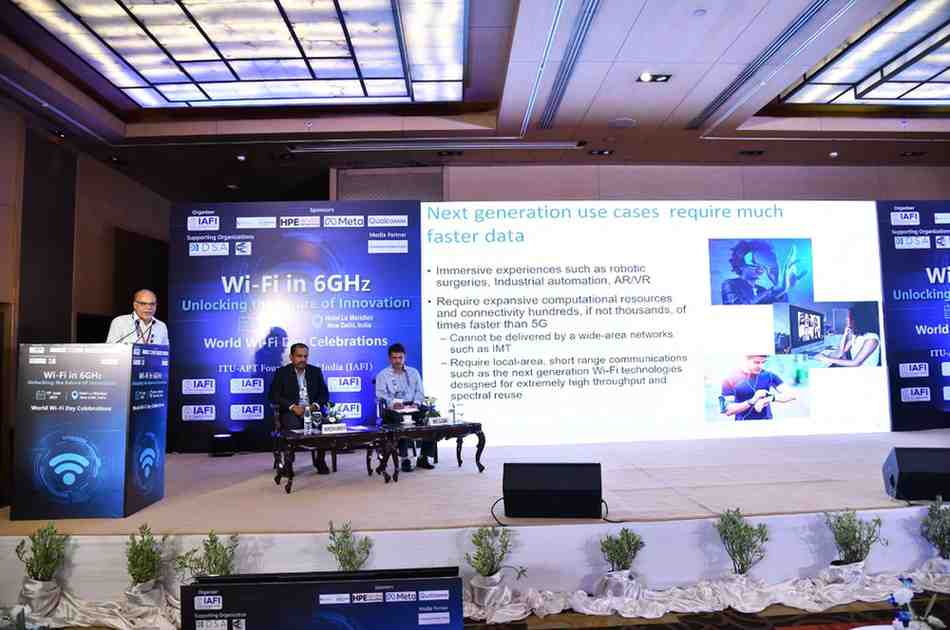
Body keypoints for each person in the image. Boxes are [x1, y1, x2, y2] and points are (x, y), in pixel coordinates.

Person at [269, 343, 331, 474]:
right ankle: (288, 463)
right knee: (292, 426)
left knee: (324, 425)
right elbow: (273, 396)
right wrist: (292, 407)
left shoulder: (315, 371)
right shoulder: (282, 373)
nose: (303, 359)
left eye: (305, 356)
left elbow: (324, 395)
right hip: (291, 411)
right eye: (299, 356)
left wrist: (314, 406)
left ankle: (320, 460)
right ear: (291, 357)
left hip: (312, 410)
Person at [375, 342, 434, 472]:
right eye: (394, 358)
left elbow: (420, 392)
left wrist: (416, 403)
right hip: (393, 409)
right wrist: (392, 403)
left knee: (430, 416)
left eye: (400, 357)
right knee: (400, 422)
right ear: (389, 358)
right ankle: (404, 459)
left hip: (412, 405)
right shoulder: (383, 375)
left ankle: (424, 457)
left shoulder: (414, 372)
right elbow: (380, 395)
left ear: (404, 357)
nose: (398, 361)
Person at [720, 240, 806, 305]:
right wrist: (775, 290)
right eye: (753, 262)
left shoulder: (762, 290)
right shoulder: (729, 284)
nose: (760, 266)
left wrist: (781, 286)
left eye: (762, 262)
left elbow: (781, 310)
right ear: (740, 265)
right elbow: (738, 307)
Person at [721, 355, 796, 420]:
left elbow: (792, 394)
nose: (761, 366)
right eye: (756, 362)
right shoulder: (730, 378)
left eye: (763, 362)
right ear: (745, 360)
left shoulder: (768, 375)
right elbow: (728, 411)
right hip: (742, 426)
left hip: (767, 425)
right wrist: (753, 400)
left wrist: (769, 399)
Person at [817, 305, 881, 367]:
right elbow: (842, 351)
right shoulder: (856, 335)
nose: (846, 319)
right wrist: (845, 334)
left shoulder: (872, 339)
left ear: (857, 319)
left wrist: (826, 358)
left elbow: (855, 363)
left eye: (849, 316)